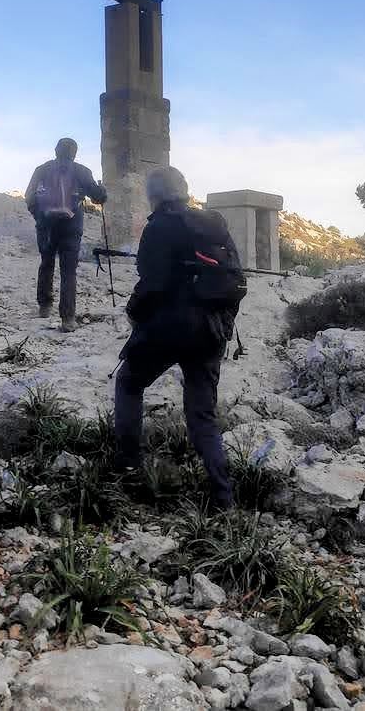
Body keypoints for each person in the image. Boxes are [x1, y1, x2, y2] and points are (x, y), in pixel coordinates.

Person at [113, 166, 235, 510]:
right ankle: (223, 499)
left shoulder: (158, 227)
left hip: (167, 329)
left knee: (129, 383)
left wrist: (134, 312)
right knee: (203, 415)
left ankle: (128, 467)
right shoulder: (214, 225)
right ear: (183, 190)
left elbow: (151, 283)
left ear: (153, 195)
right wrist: (223, 326)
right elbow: (234, 282)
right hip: (211, 331)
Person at [25, 138, 106, 332]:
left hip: (46, 226)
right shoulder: (82, 171)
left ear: (56, 150)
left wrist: (40, 217)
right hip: (71, 226)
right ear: (75, 153)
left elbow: (29, 197)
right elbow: (98, 197)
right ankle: (68, 319)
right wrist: (102, 191)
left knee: (46, 263)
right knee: (68, 271)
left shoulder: (41, 169)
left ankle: (44, 307)